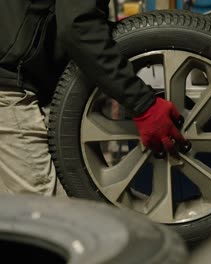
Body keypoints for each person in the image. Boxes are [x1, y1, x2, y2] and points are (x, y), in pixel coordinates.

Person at [0, 0, 186, 196]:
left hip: (18, 79)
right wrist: (143, 104)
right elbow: (78, 28)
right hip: (9, 86)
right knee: (52, 218)